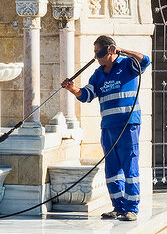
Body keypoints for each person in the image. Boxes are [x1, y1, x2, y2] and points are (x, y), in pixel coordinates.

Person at [61, 35, 150, 221]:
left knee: (129, 166)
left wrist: (122, 50)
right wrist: (72, 89)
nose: (96, 56)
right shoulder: (98, 74)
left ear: (109, 50)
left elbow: (146, 61)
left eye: (98, 51)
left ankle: (131, 209)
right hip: (108, 127)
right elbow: (86, 95)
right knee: (112, 169)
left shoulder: (127, 65)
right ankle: (118, 207)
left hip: (128, 126)